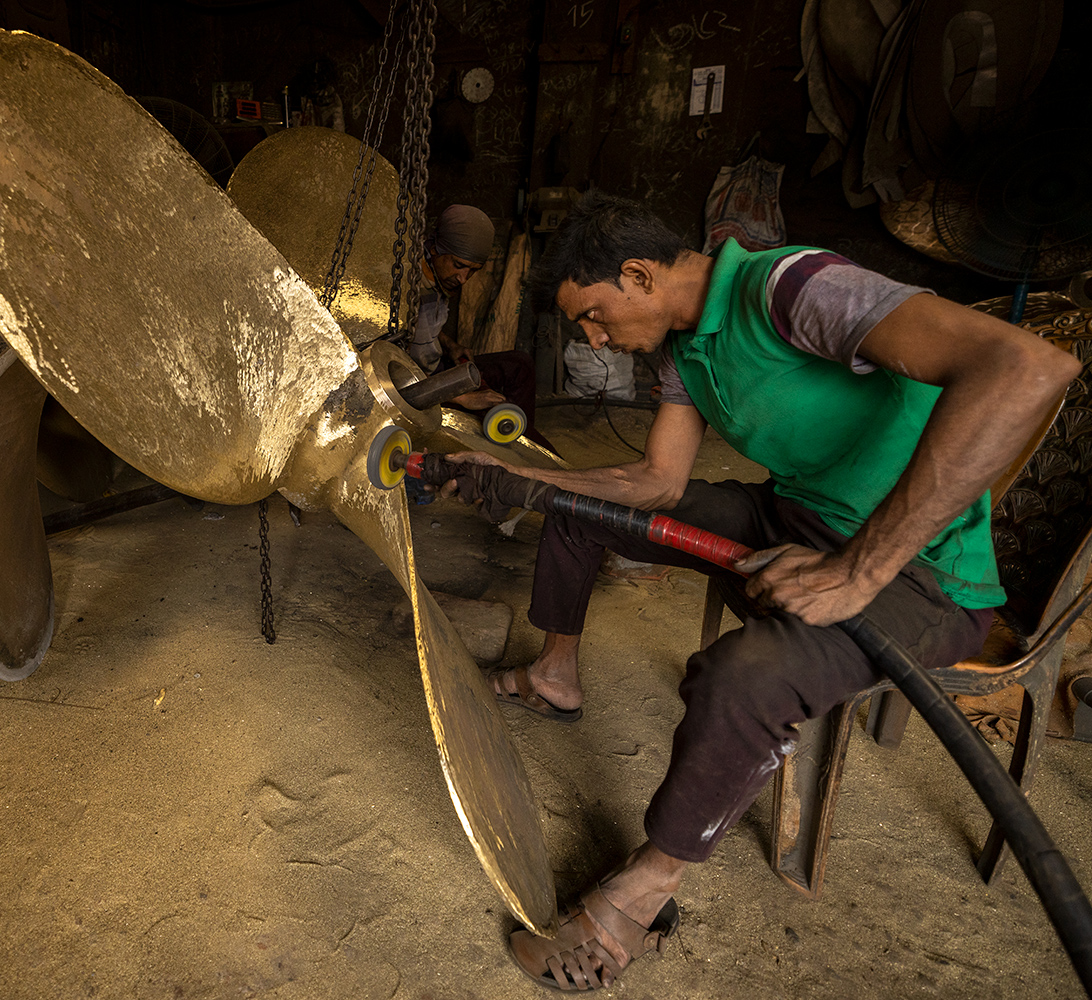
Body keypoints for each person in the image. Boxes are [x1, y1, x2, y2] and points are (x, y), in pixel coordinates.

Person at [440, 191, 1078, 991]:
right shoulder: (682, 352)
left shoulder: (792, 287)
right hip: (796, 520)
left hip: (924, 578)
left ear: (638, 275)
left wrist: (858, 572)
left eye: (595, 317)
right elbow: (657, 481)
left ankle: (644, 894)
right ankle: (553, 676)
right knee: (582, 507)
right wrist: (526, 480)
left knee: (744, 677)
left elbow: (1028, 365)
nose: (594, 339)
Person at [407, 204, 555, 452]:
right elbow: (391, 378)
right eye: (458, 265)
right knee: (482, 405)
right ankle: (516, 444)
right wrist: (463, 398)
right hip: (418, 387)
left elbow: (422, 326)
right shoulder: (407, 284)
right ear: (435, 248)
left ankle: (514, 434)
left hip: (440, 370)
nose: (463, 278)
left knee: (519, 364)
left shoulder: (440, 277)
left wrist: (451, 345)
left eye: (473, 270)